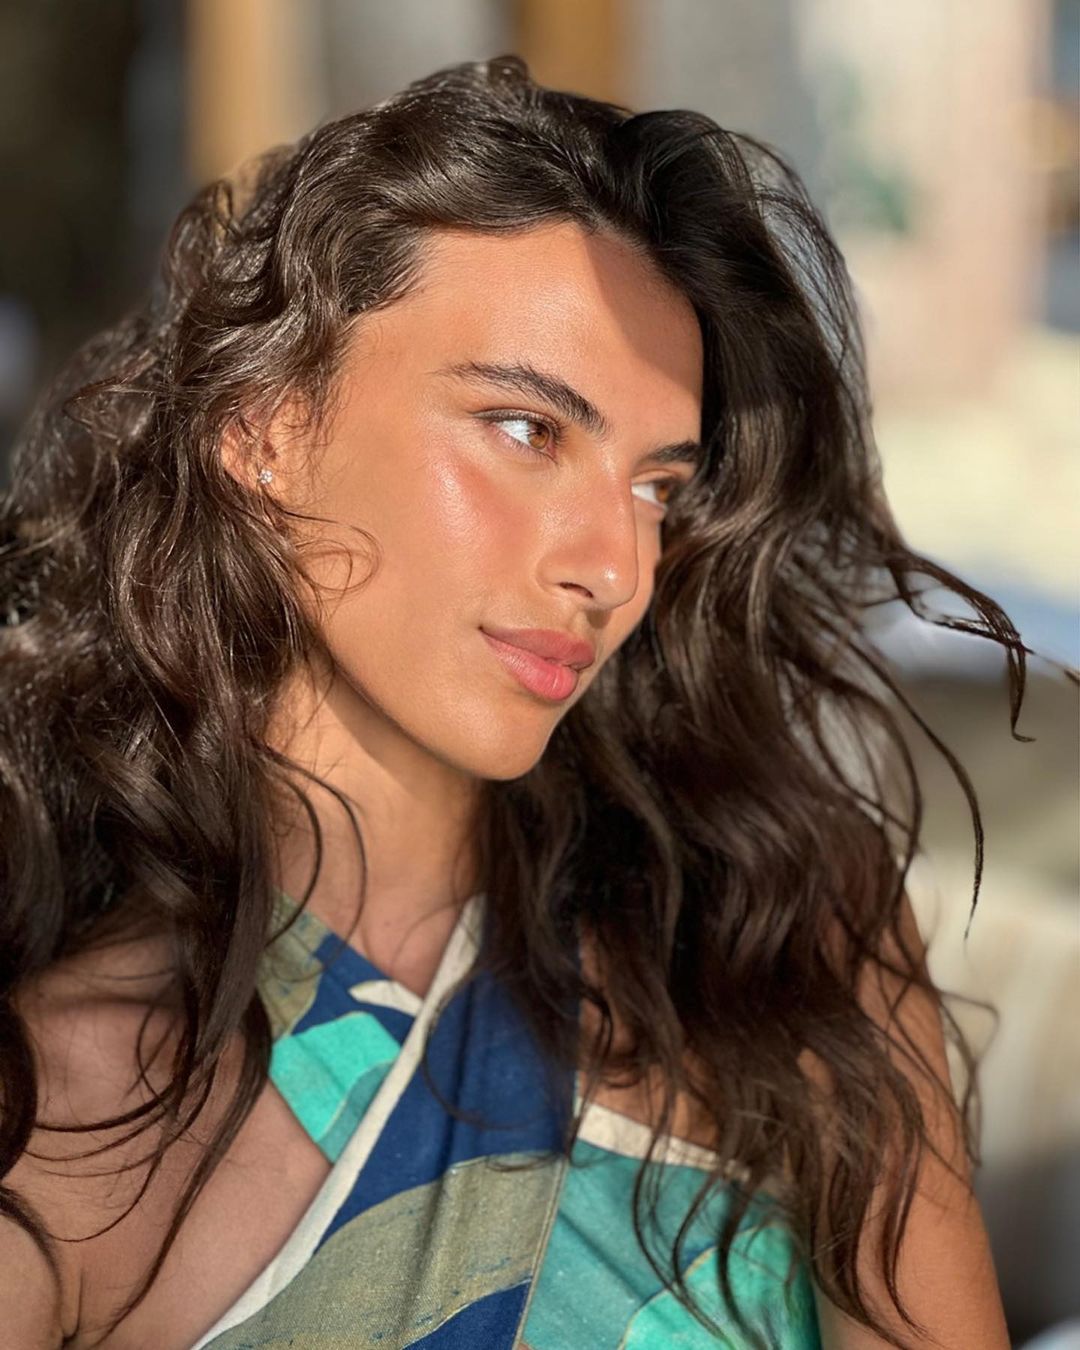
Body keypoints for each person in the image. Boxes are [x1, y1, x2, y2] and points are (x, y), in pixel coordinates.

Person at [0, 53, 1032, 1349]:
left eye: (657, 486)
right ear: (264, 430)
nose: (614, 566)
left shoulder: (774, 945)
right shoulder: (71, 1104)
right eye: (528, 431)